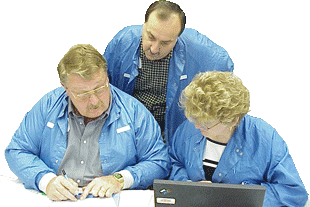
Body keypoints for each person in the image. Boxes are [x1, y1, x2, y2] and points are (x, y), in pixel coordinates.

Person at [5, 44, 171, 201]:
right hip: (57, 200)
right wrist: (46, 181)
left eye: (99, 88)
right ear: (66, 88)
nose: (94, 101)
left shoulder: (134, 111)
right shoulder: (48, 106)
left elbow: (159, 161)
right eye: (83, 94)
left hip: (109, 200)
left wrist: (119, 179)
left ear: (107, 76)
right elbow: (17, 150)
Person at [168, 71, 308, 206]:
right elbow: (175, 163)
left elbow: (292, 192)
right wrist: (189, 186)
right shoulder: (190, 127)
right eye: (195, 119)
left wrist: (232, 197)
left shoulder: (265, 139)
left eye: (206, 124)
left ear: (233, 120)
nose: (197, 126)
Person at [104, 0, 234, 144]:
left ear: (178, 38)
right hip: (131, 126)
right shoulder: (123, 41)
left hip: (172, 130)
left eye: (165, 43)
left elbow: (226, 73)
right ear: (144, 26)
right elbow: (103, 83)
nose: (154, 49)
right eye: (151, 37)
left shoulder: (200, 52)